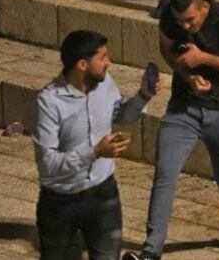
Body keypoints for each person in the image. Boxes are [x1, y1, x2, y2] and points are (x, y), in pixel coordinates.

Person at [123, 0, 219, 260]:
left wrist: (203, 58)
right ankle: (152, 249)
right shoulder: (172, 19)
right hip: (184, 107)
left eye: (191, 20)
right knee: (165, 173)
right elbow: (167, 50)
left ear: (204, 8)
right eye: (181, 20)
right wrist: (188, 76)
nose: (185, 26)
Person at [35, 30, 161, 260]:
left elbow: (120, 114)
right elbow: (47, 164)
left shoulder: (105, 84)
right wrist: (95, 152)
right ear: (82, 64)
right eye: (102, 57)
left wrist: (143, 95)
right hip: (60, 201)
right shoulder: (49, 101)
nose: (109, 63)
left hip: (103, 194)